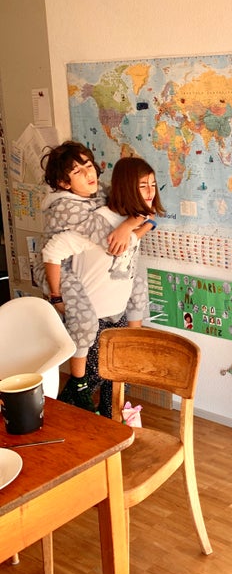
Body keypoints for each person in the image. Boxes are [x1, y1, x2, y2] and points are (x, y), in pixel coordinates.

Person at [41, 152, 163, 413]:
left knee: (118, 381)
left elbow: (148, 215)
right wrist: (56, 296)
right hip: (94, 313)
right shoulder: (96, 222)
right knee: (92, 378)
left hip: (117, 309)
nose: (150, 191)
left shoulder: (129, 215)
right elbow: (53, 251)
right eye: (142, 186)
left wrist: (131, 225)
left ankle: (112, 426)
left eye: (89, 166)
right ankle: (66, 422)